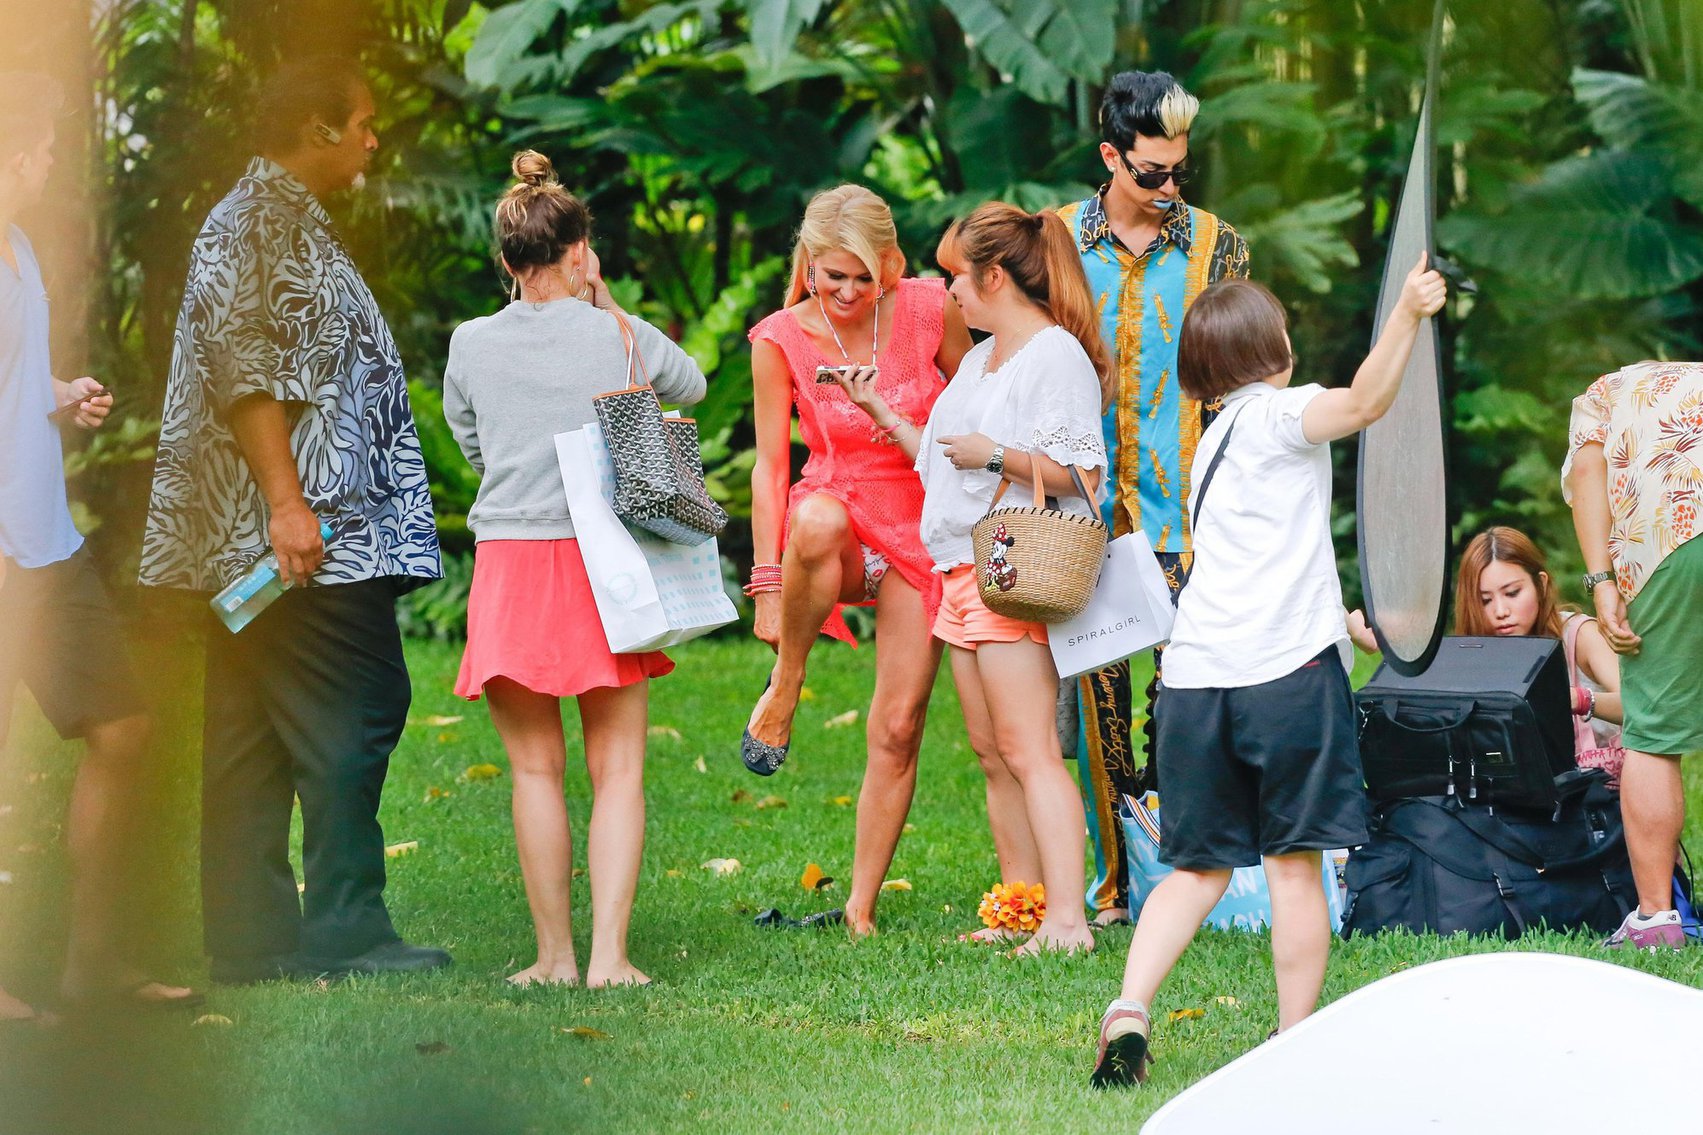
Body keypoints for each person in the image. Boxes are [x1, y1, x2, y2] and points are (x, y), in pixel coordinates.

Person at [1093, 258, 1447, 1087]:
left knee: (1195, 868)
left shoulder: (1213, 440)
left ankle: (1129, 1006)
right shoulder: (1280, 414)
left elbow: (1266, 559)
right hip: (1283, 679)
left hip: (1193, 681)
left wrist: (1344, 624)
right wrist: (1403, 311)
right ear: (1273, 348)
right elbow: (1362, 403)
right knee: (1295, 862)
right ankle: (1294, 1046)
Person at [139, 56, 447, 983]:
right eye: (361, 121)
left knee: (251, 728)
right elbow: (244, 368)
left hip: (274, 535)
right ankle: (347, 922)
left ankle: (248, 934)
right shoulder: (257, 223)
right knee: (360, 704)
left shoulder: (277, 219)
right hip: (304, 536)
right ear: (315, 127)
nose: (372, 137)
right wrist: (287, 504)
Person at [445, 151, 706, 988]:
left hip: (511, 562)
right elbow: (689, 384)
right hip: (606, 563)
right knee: (617, 766)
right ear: (577, 251)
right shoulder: (614, 332)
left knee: (532, 768)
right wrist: (607, 306)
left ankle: (551, 956)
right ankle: (608, 958)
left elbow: (473, 442)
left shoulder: (470, 342)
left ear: (507, 260)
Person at [840, 202, 1110, 954]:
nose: (943, 290)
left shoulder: (1051, 355)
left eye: (955, 275)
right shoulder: (977, 359)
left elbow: (1080, 474)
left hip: (1012, 567)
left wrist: (997, 456)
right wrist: (876, 409)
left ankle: (1066, 920)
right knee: (994, 753)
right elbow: (941, 455)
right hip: (959, 570)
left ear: (994, 276)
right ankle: (1021, 908)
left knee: (1029, 750)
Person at [0, 75, 200, 1020]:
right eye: (34, 151)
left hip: (44, 541)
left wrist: (57, 392)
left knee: (125, 728)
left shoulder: (22, 250)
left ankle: (93, 962)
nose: (44, 165)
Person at [741, 185, 972, 935]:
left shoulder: (931, 309)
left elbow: (975, 404)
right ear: (806, 261)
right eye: (828, 274)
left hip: (921, 529)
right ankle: (788, 680)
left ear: (890, 265)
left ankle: (861, 906)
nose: (843, 292)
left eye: (860, 277)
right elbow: (770, 468)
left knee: (899, 724)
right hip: (835, 530)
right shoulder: (780, 337)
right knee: (812, 515)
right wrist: (766, 588)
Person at [1057, 71, 1251, 927]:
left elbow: (1237, 382)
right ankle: (1110, 889)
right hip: (1083, 516)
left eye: (1181, 170)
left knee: (1186, 704)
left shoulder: (1218, 245)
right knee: (1100, 713)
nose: (1170, 189)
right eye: (1151, 173)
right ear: (1110, 156)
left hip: (1190, 514)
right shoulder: (1053, 238)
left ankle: (1180, 875)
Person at [1564, 360, 1703, 951]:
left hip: (1675, 539)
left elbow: (1591, 473)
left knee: (1651, 733)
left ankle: (1655, 920)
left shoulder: (1600, 400)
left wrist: (1602, 582)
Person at [1447, 526, 1624, 780]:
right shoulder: (1474, 656)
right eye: (1485, 600)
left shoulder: (1578, 635)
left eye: (1512, 593)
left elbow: (1639, 704)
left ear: (1540, 584)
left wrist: (1578, 700)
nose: (1500, 611)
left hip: (1593, 798)